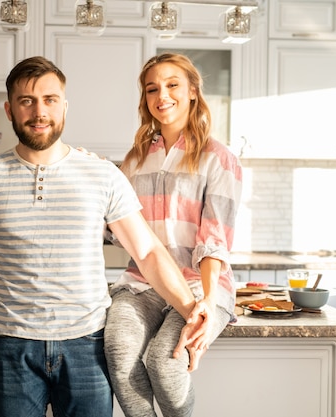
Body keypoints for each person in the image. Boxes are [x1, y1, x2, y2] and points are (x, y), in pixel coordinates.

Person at [0, 56, 206, 417]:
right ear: (9, 110)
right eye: (26, 101)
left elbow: (148, 251)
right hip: (11, 344)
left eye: (50, 99)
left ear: (64, 106)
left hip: (87, 344)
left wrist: (190, 310)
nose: (39, 111)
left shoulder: (102, 174)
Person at [104, 53, 243, 417]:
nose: (161, 95)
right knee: (119, 353)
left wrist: (209, 305)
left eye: (172, 85)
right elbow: (121, 232)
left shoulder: (218, 157)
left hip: (201, 285)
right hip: (143, 283)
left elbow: (214, 242)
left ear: (193, 92)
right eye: (152, 89)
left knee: (165, 364)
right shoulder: (133, 161)